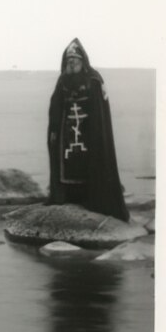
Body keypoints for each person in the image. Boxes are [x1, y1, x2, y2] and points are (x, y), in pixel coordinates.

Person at [46, 38, 129, 221]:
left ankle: (90, 197)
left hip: (88, 129)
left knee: (88, 161)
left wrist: (97, 130)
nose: (72, 63)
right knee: (66, 162)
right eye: (69, 61)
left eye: (75, 60)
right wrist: (53, 128)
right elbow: (56, 104)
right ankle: (66, 195)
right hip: (67, 129)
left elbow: (100, 109)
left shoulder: (94, 79)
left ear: (82, 61)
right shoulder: (63, 80)